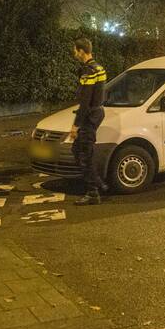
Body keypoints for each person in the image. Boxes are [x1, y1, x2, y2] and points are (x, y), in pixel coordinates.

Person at [69, 38, 107, 205]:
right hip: (97, 112)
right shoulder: (99, 68)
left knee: (84, 154)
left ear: (81, 51)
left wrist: (75, 125)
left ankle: (93, 192)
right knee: (78, 150)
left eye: (75, 50)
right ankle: (98, 182)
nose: (74, 53)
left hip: (89, 115)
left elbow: (85, 101)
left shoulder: (88, 72)